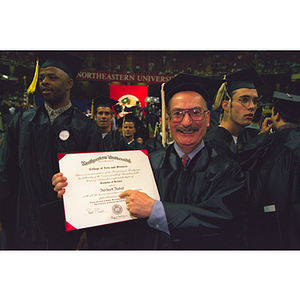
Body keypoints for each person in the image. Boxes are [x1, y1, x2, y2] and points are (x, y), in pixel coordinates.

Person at [54, 73, 248, 249]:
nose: (186, 122)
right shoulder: (145, 164)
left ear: (207, 119)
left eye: (195, 112)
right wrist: (75, 191)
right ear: (168, 119)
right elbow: (116, 211)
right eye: (178, 113)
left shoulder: (227, 169)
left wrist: (157, 210)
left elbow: (225, 220)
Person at [0, 51, 105, 249]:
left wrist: (86, 229)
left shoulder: (86, 127)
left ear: (69, 84)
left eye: (52, 77)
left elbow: (94, 182)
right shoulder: (22, 122)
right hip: (23, 220)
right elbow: (5, 171)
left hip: (66, 224)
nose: (44, 82)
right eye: (42, 78)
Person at [239, 91, 300, 249]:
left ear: (276, 116)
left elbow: (243, 161)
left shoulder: (267, 144)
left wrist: (261, 135)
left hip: (273, 224)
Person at [204, 66, 265, 158]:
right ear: (226, 105)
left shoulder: (237, 138)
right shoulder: (215, 143)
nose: (252, 106)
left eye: (255, 101)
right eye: (244, 100)